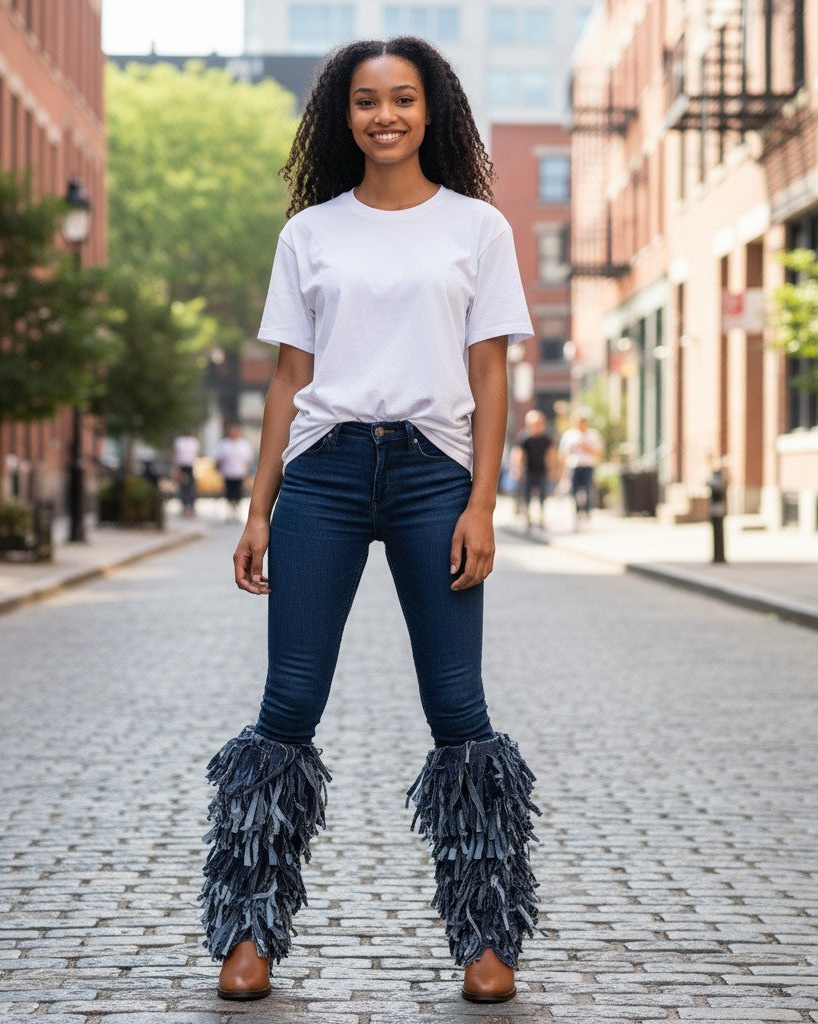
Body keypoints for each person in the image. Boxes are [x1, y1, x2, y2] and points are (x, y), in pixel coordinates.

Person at [198, 36, 541, 1006]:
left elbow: (489, 373)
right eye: (363, 101)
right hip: (326, 475)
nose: (382, 116)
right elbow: (288, 378)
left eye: (400, 99)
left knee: (457, 709)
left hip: (435, 475)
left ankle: (484, 938)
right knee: (289, 704)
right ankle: (249, 933)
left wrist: (481, 499)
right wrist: (257, 507)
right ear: (339, 116)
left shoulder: (477, 228)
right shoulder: (310, 232)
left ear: (430, 109)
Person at [559, 408, 604, 525]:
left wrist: (587, 448)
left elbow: (600, 453)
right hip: (574, 466)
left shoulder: (593, 435)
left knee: (588, 490)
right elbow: (563, 455)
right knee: (574, 491)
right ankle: (577, 513)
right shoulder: (569, 435)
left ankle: (587, 514)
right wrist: (563, 472)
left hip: (588, 466)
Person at [514, 409, 557, 530]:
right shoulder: (525, 438)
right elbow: (519, 454)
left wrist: (552, 469)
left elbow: (552, 454)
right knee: (527, 496)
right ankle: (528, 520)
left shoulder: (546, 439)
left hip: (542, 470)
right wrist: (517, 468)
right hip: (528, 470)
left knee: (543, 496)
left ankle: (542, 519)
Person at [215, 425, 255, 522]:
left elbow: (248, 460)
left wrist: (247, 474)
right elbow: (220, 459)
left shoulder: (244, 445)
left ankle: (236, 512)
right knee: (229, 494)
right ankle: (230, 513)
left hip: (239, 474)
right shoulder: (224, 444)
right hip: (228, 473)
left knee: (238, 494)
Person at [173, 429, 200, 517]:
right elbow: (176, 455)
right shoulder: (179, 441)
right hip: (182, 466)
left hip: (191, 466)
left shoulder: (194, 442)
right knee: (183, 488)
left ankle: (191, 506)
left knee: (191, 488)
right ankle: (185, 506)